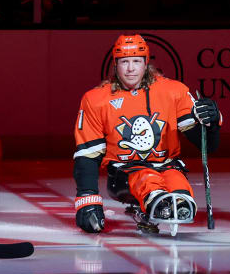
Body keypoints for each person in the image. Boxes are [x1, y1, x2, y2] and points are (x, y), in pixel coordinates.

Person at [73, 34, 219, 234]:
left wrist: (210, 123)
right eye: (124, 62)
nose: (130, 68)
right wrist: (87, 199)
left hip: (168, 167)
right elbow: (88, 155)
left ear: (146, 63)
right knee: (148, 182)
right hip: (125, 173)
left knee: (180, 193)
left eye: (136, 61)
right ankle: (155, 200)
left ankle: (171, 201)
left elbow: (207, 146)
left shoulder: (173, 91)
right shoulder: (96, 99)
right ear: (115, 65)